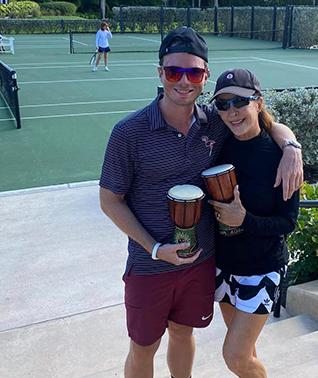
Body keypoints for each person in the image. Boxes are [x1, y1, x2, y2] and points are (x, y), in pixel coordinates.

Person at [99, 27, 303, 378]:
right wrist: (154, 249)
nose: (183, 81)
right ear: (160, 73)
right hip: (152, 266)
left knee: (189, 336)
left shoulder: (215, 123)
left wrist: (291, 147)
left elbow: (264, 125)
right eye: (173, 71)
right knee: (143, 347)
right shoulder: (129, 133)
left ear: (205, 76)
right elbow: (109, 201)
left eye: (193, 73)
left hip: (203, 262)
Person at [208, 68, 299, 378]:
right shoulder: (219, 144)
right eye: (223, 105)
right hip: (223, 267)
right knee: (245, 354)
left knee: (234, 356)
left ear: (258, 103)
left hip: (261, 269)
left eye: (240, 102)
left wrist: (243, 219)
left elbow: (287, 222)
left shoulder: (281, 157)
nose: (231, 111)